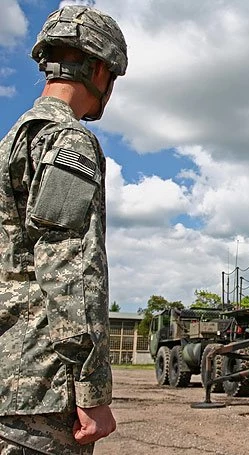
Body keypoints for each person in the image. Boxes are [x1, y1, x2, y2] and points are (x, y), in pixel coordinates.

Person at [0, 5, 128, 454]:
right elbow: (70, 270)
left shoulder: (12, 141)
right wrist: (93, 392)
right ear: (97, 68)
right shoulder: (68, 140)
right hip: (40, 391)